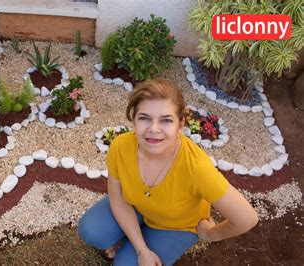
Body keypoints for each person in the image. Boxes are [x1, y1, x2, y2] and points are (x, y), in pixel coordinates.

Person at [78, 79, 258, 265]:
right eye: (144, 118)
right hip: (138, 207)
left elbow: (247, 219)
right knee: (90, 230)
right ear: (134, 118)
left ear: (180, 124)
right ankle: (131, 241)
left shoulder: (196, 168)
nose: (153, 129)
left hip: (175, 226)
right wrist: (141, 249)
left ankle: (131, 246)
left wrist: (211, 234)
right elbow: (119, 201)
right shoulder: (120, 147)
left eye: (166, 120)